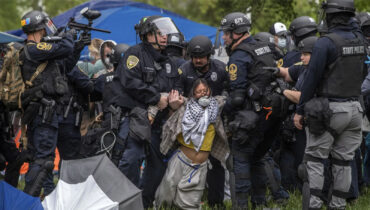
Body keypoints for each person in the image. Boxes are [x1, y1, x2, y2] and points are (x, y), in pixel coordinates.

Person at [293, 0, 367, 209]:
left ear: (330, 16)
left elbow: (311, 80)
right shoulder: (360, 39)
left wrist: (299, 111)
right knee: (343, 162)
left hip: (330, 110)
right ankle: (338, 205)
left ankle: (315, 204)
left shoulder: (325, 42)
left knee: (315, 160)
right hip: (355, 110)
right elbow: (363, 73)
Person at [104, 16, 180, 208]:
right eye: (160, 33)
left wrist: (174, 101)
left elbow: (175, 86)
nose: (165, 36)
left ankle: (143, 204)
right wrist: (155, 98)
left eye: (165, 32)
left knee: (157, 166)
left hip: (160, 122)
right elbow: (130, 82)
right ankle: (125, 204)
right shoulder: (134, 54)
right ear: (147, 34)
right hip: (135, 120)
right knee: (130, 161)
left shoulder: (169, 61)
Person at [219, 12, 282, 208]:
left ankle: (241, 205)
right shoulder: (264, 46)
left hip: (251, 117)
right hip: (272, 113)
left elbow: (237, 97)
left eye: (226, 33)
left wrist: (222, 109)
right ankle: (260, 202)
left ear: (236, 33)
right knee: (258, 159)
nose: (224, 37)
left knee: (241, 159)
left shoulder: (239, 56)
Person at [19, 10, 78, 197]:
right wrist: (66, 36)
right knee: (44, 160)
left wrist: (77, 45)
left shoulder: (38, 52)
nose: (47, 32)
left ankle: (30, 200)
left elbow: (64, 64)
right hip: (43, 112)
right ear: (39, 28)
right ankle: (28, 202)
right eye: (45, 28)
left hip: (43, 112)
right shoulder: (34, 49)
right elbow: (65, 48)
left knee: (40, 159)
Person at [155, 78, 228, 209]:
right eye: (199, 91)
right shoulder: (185, 107)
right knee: (165, 197)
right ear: (193, 94)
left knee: (189, 204)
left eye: (205, 91)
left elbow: (223, 99)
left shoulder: (215, 107)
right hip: (180, 161)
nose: (203, 94)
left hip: (199, 167)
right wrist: (181, 101)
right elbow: (165, 98)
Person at [175, 35, 229, 207]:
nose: (198, 60)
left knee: (216, 162)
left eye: (201, 57)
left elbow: (229, 93)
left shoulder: (221, 69)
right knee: (189, 161)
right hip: (190, 125)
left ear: (209, 55)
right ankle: (185, 200)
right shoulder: (183, 70)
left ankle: (217, 202)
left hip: (216, 123)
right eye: (194, 57)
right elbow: (178, 95)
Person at [276, 36, 318, 191]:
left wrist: (284, 91)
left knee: (308, 162)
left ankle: (310, 192)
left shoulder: (319, 73)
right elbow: (287, 72)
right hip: (299, 122)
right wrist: (273, 70)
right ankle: (295, 189)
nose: (301, 57)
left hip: (312, 123)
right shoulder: (303, 67)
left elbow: (304, 97)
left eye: (305, 54)